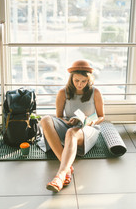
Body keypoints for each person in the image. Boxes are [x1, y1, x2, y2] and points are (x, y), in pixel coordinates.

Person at [37, 59, 105, 193]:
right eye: (76, 80)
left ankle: (61, 175)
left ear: (89, 80)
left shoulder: (95, 92)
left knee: (71, 133)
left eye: (83, 81)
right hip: (70, 125)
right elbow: (59, 117)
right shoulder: (63, 93)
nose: (80, 84)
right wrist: (67, 122)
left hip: (88, 128)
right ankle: (67, 166)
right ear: (71, 79)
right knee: (45, 119)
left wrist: (91, 121)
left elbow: (101, 116)